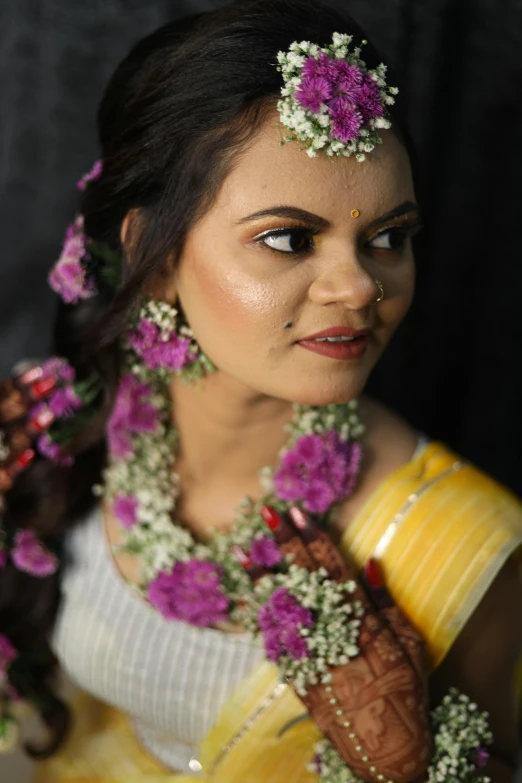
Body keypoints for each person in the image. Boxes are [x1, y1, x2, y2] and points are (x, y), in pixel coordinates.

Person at [0, 1, 521, 781]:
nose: (358, 286)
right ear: (153, 252)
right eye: (290, 237)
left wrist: (406, 767)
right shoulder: (61, 426)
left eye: (388, 237)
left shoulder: (471, 546)